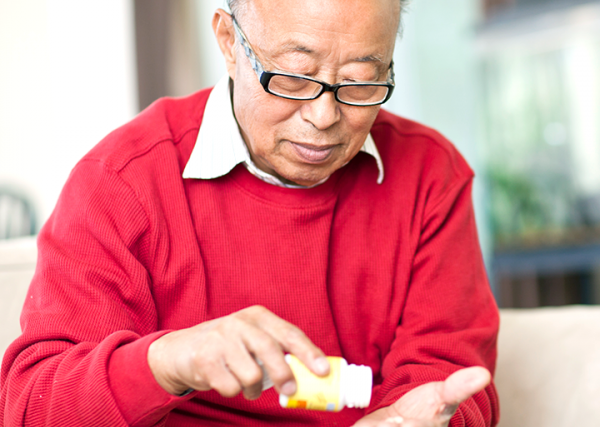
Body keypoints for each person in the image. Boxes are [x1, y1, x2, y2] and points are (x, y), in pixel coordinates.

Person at [0, 0, 500, 426]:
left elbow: (448, 380)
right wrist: (168, 362)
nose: (324, 117)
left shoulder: (431, 176)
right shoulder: (123, 179)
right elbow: (30, 405)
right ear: (228, 42)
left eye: (360, 83)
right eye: (294, 78)